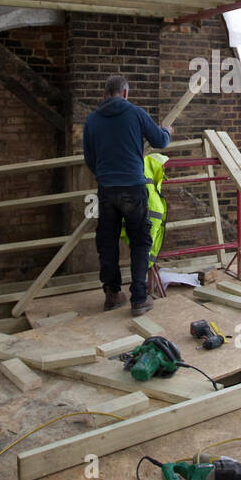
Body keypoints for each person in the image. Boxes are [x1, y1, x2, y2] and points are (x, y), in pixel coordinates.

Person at [83, 74, 172, 316]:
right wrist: (167, 130)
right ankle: (139, 299)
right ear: (125, 93)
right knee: (140, 240)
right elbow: (160, 141)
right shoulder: (136, 113)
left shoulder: (91, 120)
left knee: (107, 240)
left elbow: (89, 159)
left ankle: (112, 295)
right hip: (133, 187)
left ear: (105, 94)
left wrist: (105, 175)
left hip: (107, 189)